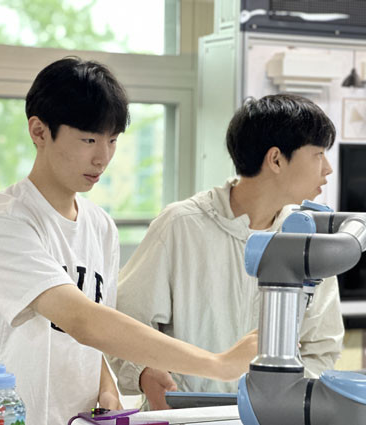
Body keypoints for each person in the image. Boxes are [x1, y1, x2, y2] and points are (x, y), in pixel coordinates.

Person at [0, 57, 257, 425]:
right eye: (89, 139)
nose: (102, 157)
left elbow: (91, 334)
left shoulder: (101, 226)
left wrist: (107, 386)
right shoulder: (6, 221)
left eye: (113, 140)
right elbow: (81, 320)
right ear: (39, 131)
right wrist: (218, 364)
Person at [111, 94, 345, 410]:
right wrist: (143, 373)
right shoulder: (180, 225)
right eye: (318, 154)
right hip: (183, 416)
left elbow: (322, 347)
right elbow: (123, 324)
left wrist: (283, 397)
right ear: (276, 159)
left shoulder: (309, 239)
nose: (327, 169)